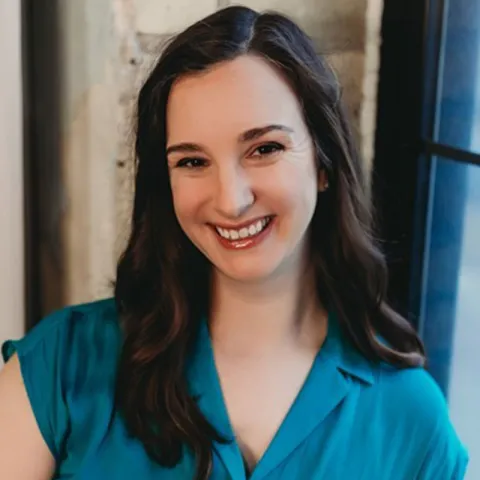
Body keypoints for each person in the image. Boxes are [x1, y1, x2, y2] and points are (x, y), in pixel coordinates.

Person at [0, 5, 468, 480]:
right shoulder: (62, 366)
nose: (231, 200)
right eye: (192, 162)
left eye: (264, 149)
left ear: (323, 163)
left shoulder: (412, 422)